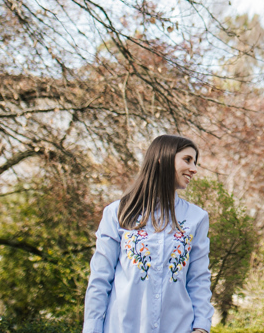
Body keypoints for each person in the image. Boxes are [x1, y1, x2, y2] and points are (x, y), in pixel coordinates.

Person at [84, 134, 213, 333]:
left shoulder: (197, 218)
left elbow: (199, 279)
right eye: (187, 160)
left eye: (195, 162)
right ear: (163, 159)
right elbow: (100, 279)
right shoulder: (117, 213)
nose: (194, 169)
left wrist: (201, 327)